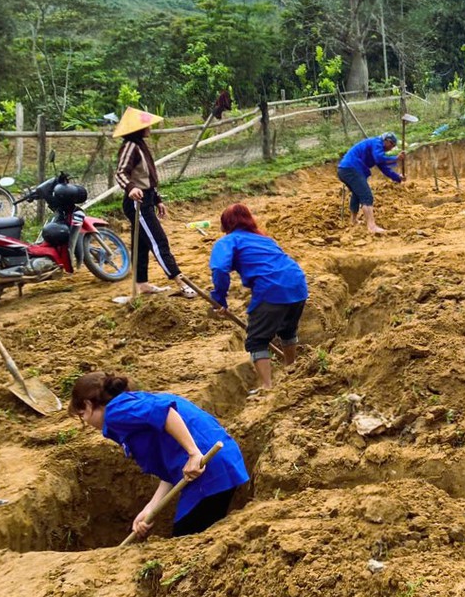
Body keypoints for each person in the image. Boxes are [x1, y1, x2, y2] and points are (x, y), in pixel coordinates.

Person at [70, 372, 249, 539]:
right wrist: (150, 508)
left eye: (82, 415)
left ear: (88, 404)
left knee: (184, 539)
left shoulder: (115, 413)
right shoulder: (131, 404)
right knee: (191, 535)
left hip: (208, 468)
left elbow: (166, 413)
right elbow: (171, 464)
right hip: (219, 463)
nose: (85, 421)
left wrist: (194, 453)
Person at [209, 204, 306, 394]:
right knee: (287, 330)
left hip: (271, 288)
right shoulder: (264, 239)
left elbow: (219, 268)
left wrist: (219, 298)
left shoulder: (228, 241)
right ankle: (292, 371)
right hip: (298, 283)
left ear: (225, 224)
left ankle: (267, 388)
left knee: (257, 340)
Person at [114, 107, 195, 297]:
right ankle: (180, 282)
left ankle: (142, 284)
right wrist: (130, 188)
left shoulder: (141, 145)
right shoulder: (130, 146)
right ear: (138, 129)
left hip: (147, 199)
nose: (150, 128)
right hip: (137, 203)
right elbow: (121, 173)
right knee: (159, 241)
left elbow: (147, 177)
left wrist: (157, 199)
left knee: (141, 245)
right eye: (147, 125)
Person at [337, 132, 404, 234]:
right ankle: (372, 226)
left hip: (345, 169)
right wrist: (396, 158)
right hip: (351, 168)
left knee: (357, 194)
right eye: (392, 145)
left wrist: (398, 177)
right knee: (366, 196)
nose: (391, 148)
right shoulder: (377, 142)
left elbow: (384, 168)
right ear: (387, 141)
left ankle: (353, 221)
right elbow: (379, 158)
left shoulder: (377, 149)